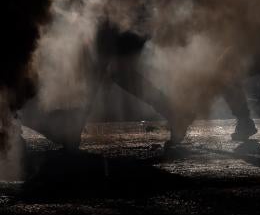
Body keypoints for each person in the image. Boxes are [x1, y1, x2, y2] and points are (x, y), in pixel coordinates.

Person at [24, 19, 188, 150]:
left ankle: (72, 129)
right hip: (118, 11)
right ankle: (174, 113)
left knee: (105, 62)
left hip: (117, 12)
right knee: (114, 69)